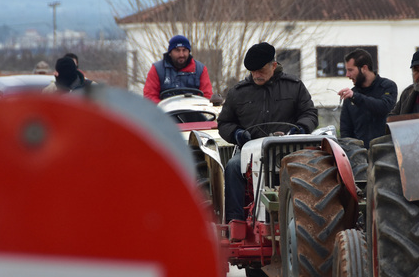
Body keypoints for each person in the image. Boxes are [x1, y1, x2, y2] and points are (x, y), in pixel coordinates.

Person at [217, 42, 319, 223]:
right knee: (232, 167)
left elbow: (309, 114)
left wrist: (300, 129)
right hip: (250, 148)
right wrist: (237, 134)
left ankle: (308, 217)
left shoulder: (294, 86)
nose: (256, 75)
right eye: (252, 71)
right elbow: (225, 122)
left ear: (274, 65)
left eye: (261, 70)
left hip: (289, 148)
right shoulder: (238, 92)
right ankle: (235, 223)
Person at [338, 48, 397, 148]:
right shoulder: (351, 95)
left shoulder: (387, 86)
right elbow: (345, 130)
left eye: (350, 70)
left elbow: (383, 107)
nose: (347, 75)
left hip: (385, 152)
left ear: (364, 68)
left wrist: (355, 97)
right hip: (359, 155)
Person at [143, 34, 213, 103]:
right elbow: (149, 96)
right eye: (177, 50)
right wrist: (165, 108)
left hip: (194, 112)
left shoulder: (200, 69)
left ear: (189, 52)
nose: (181, 54)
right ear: (170, 53)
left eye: (184, 50)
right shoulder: (157, 69)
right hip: (165, 112)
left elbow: (207, 96)